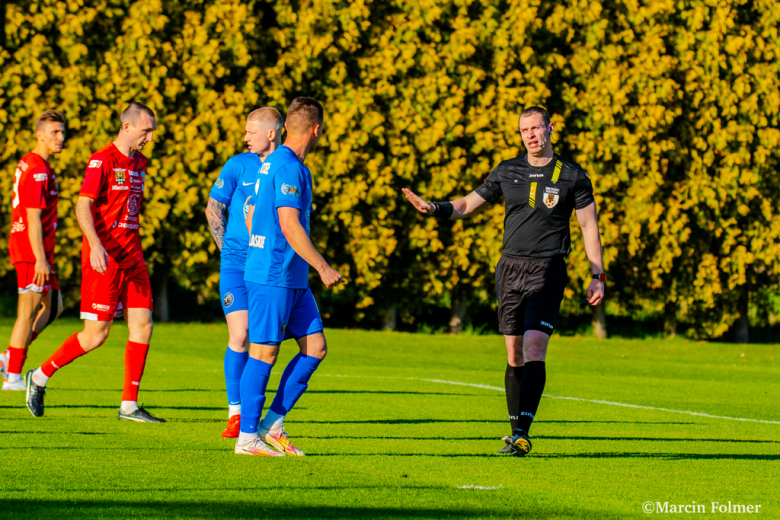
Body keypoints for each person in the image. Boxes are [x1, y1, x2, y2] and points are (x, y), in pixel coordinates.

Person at [402, 106, 605, 456]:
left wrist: (596, 274)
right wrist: (434, 208)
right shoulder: (507, 170)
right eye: (523, 130)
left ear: (550, 128)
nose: (530, 135)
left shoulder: (573, 175)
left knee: (534, 347)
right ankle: (515, 433)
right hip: (510, 269)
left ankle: (523, 433)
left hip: (548, 269)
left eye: (535, 128)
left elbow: (589, 226)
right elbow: (466, 205)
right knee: (514, 355)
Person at [24, 102, 164, 423]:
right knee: (95, 335)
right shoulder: (102, 160)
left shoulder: (140, 163)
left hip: (133, 257)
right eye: (146, 131)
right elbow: (82, 206)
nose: (150, 138)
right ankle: (40, 376)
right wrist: (96, 246)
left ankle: (129, 406)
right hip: (105, 259)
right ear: (127, 127)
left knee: (143, 326)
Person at [235, 97, 344, 457]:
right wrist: (323, 267)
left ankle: (272, 425)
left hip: (289, 277)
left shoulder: (274, 163)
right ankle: (247, 438)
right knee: (264, 352)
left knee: (316, 347)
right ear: (316, 130)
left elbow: (251, 210)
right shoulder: (289, 167)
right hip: (273, 275)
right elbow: (288, 223)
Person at [205, 107, 283, 438]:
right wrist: (228, 250)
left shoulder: (287, 167)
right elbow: (213, 208)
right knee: (240, 334)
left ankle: (256, 415)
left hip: (268, 266)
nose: (245, 137)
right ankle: (235, 414)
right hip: (237, 264)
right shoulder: (237, 164)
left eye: (251, 131)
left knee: (264, 341)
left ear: (271, 133)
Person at [0, 111, 66, 391]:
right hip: (30, 249)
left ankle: (7, 358)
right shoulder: (37, 168)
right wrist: (40, 258)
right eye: (54, 132)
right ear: (40, 134)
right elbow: (32, 217)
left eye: (62, 132)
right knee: (26, 312)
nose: (61, 138)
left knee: (54, 308)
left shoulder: (34, 163)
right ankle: (13, 376)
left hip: (36, 249)